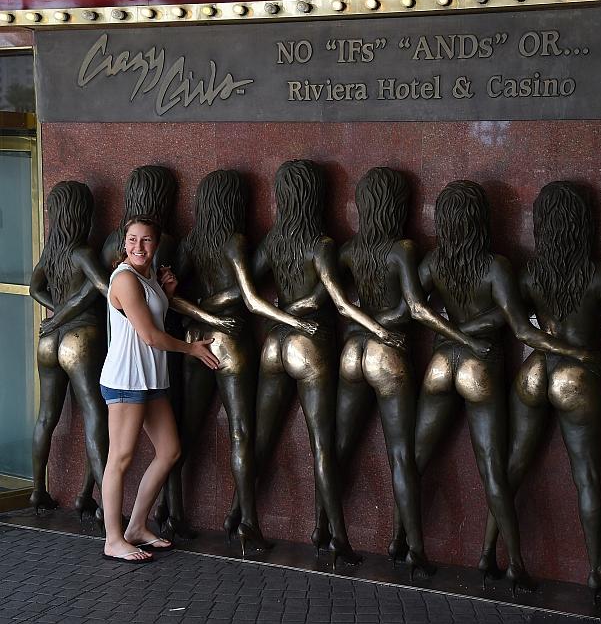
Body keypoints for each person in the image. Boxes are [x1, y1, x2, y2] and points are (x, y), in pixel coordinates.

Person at [390, 181, 600, 593]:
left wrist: (371, 322)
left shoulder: (432, 262)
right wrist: (575, 352)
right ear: (481, 219)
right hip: (480, 367)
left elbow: (409, 310)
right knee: (492, 467)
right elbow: (520, 327)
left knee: (411, 458)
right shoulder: (496, 267)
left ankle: (404, 543)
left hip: (439, 364)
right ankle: (513, 563)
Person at [225, 160, 402, 568]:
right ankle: (336, 535)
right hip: (311, 346)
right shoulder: (322, 245)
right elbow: (332, 299)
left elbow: (245, 289)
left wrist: (281, 309)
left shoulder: (272, 241)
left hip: (273, 344)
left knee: (257, 438)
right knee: (321, 444)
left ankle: (242, 516)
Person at [478, 182, 601, 601]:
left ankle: (487, 553)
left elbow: (513, 324)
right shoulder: (600, 274)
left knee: (512, 466)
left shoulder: (531, 273)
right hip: (576, 378)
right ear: (584, 224)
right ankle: (596, 575)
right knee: (586, 475)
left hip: (534, 371)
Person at [320, 168, 490, 580]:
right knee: (401, 455)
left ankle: (328, 531)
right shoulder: (402, 250)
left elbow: (333, 293)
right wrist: (461, 339)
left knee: (335, 448)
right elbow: (414, 308)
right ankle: (414, 548)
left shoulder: (349, 250)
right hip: (388, 355)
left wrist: (362, 319)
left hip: (351, 351)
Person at [163, 169, 317, 551]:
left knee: (185, 430)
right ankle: (248, 519)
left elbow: (170, 294)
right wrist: (217, 314)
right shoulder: (235, 241)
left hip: (194, 340)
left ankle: (172, 510)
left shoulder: (191, 243)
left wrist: (201, 310)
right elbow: (247, 295)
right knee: (240, 432)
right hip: (230, 342)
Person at [100, 215, 220, 563]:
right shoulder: (125, 278)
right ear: (124, 243)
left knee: (169, 451)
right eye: (132, 240)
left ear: (156, 244)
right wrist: (191, 349)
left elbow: (152, 317)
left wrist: (165, 294)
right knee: (120, 458)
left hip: (150, 379)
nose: (138, 246)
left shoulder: (148, 276)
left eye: (146, 240)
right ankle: (113, 539)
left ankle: (136, 527)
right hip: (126, 380)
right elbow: (150, 336)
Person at [29, 181, 110, 515]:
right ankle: (106, 503)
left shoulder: (51, 252)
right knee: (95, 413)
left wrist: (56, 314)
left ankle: (38, 490)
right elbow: (103, 287)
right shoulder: (83, 252)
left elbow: (35, 289)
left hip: (50, 339)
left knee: (46, 416)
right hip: (81, 337)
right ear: (82, 214)